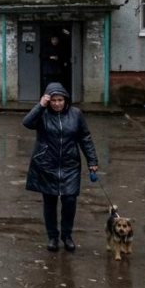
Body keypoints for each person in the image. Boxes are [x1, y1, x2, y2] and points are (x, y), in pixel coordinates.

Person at [22, 82, 98, 252]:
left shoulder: (76, 114)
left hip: (70, 165)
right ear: (48, 100)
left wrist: (92, 161)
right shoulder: (42, 115)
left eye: (60, 100)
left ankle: (67, 235)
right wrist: (40, 105)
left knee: (70, 200)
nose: (57, 103)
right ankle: (52, 237)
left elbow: (85, 138)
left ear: (66, 100)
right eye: (53, 100)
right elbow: (26, 122)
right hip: (47, 165)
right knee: (50, 202)